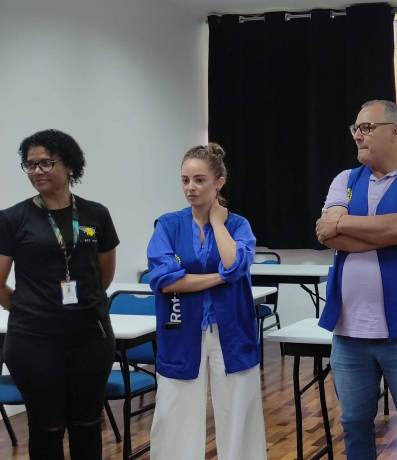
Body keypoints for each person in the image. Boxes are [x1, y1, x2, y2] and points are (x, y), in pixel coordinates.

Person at [315, 99, 397, 460]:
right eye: (355, 128)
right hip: (349, 331)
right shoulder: (345, 180)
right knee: (354, 423)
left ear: (395, 132)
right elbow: (328, 236)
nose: (358, 135)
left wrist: (345, 223)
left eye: (367, 128)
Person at [0, 129, 119, 459]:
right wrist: (27, 308)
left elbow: (103, 274)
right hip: (34, 341)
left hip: (90, 338)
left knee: (87, 424)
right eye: (30, 165)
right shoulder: (12, 219)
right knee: (46, 427)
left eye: (46, 163)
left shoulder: (96, 214)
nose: (36, 171)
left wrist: (83, 304)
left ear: (69, 166)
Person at [145, 143, 266, 460]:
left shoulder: (237, 225)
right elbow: (165, 280)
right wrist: (221, 278)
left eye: (199, 180)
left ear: (219, 182)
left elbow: (235, 264)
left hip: (231, 329)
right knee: (175, 412)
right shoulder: (168, 225)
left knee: (239, 412)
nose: (190, 188)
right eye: (185, 180)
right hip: (181, 327)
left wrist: (217, 222)